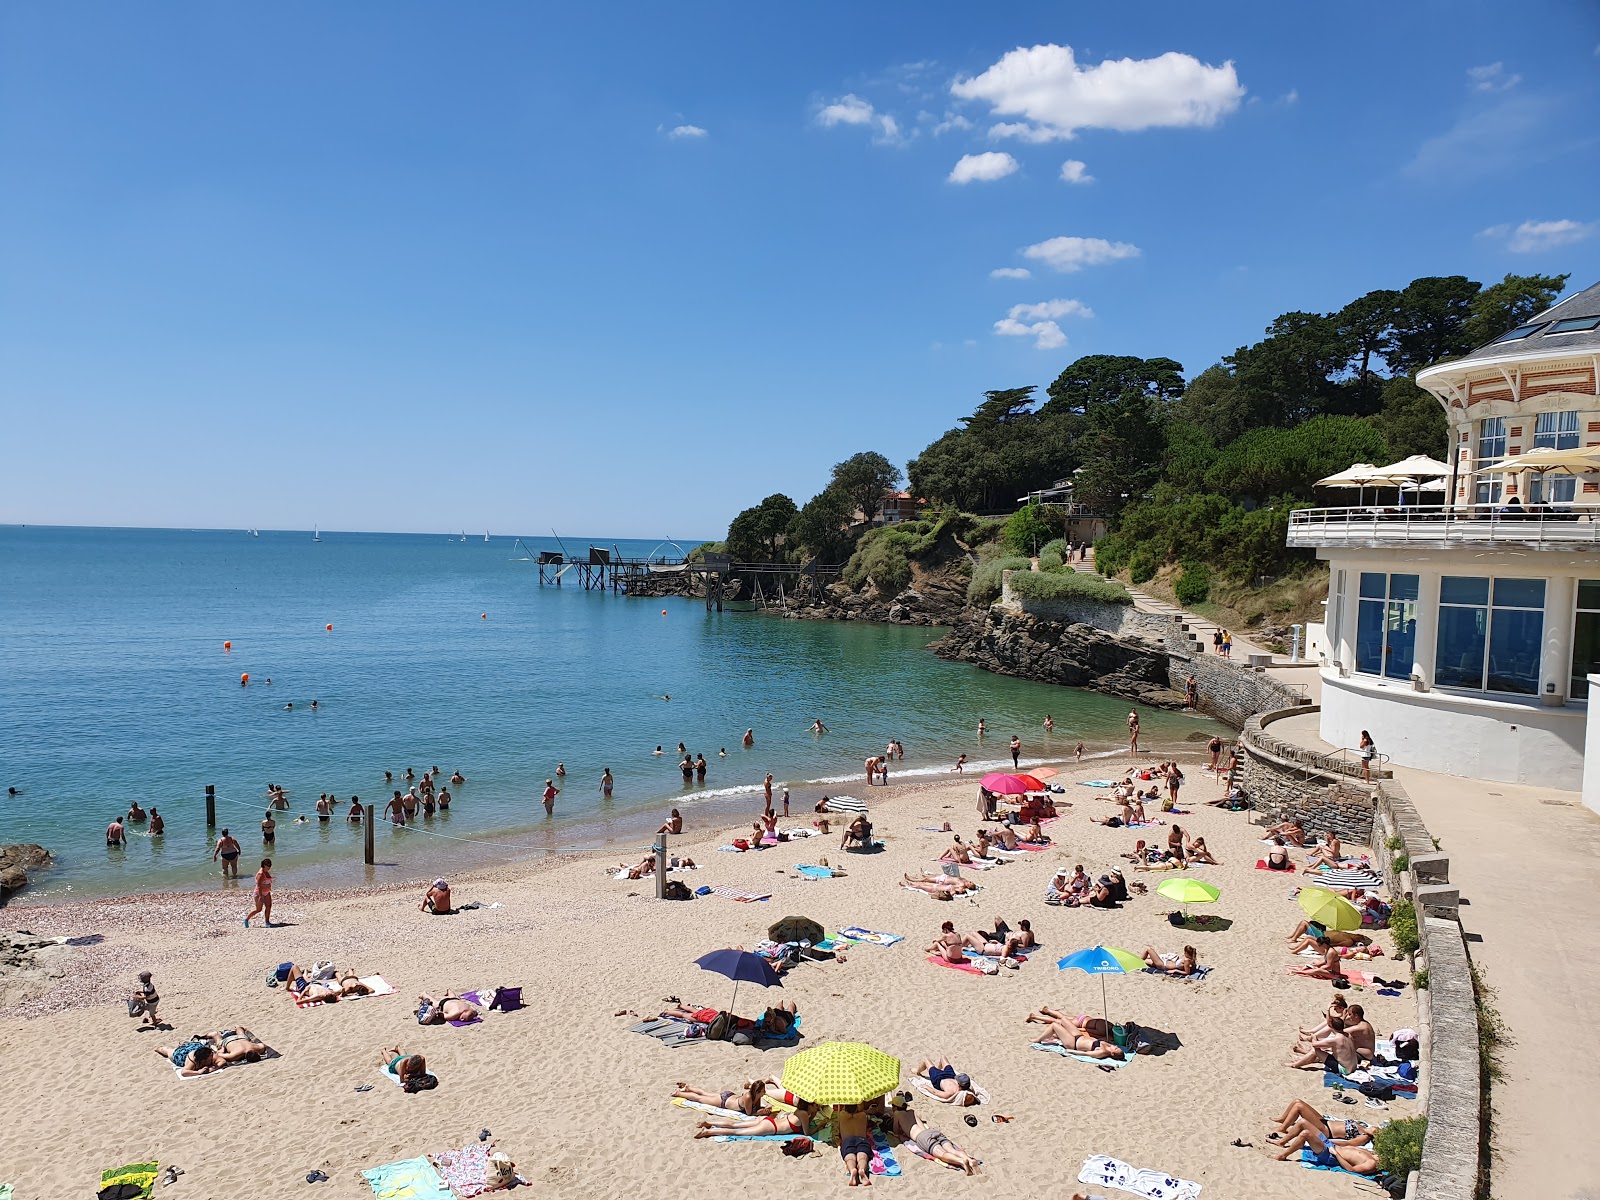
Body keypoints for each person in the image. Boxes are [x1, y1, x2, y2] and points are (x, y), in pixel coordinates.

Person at [889, 1097, 980, 1174]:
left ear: (895, 1107)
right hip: (931, 1132)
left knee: (942, 1154)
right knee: (952, 1150)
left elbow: (896, 1131)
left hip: (922, 1137)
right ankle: (968, 1159)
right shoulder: (912, 1111)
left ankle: (961, 1161)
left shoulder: (897, 1114)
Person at [1025, 1011, 1125, 1060]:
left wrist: (1071, 1051)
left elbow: (1086, 1054)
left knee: (1055, 1025)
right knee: (1064, 1020)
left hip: (1074, 1043)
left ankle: (1037, 1040)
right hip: (1078, 1036)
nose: (1115, 1046)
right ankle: (1041, 1019)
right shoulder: (1107, 1044)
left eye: (1116, 1049)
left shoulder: (1102, 1052)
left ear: (1112, 1054)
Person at [691, 1100, 817, 1139]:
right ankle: (708, 1132)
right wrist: (821, 1125)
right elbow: (807, 1133)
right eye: (815, 1106)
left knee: (736, 1125)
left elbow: (803, 1125)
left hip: (766, 1120)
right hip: (771, 1127)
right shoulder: (805, 1115)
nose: (817, 1107)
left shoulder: (799, 1111)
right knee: (737, 1132)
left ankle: (709, 1123)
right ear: (810, 1106)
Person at [1287, 1014, 1359, 1073]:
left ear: (1330, 1026)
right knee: (1324, 1051)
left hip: (1345, 1070)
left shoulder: (1336, 1039)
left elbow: (1315, 1045)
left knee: (1316, 1051)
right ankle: (1300, 1058)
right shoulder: (1348, 1035)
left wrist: (1314, 1037)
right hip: (1354, 1067)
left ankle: (1295, 1065)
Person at [672, 1079, 768, 1114]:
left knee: (705, 1093)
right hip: (724, 1101)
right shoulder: (748, 1097)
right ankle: (679, 1093)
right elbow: (749, 1113)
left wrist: (763, 1110)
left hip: (730, 1096)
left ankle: (688, 1088)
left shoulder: (757, 1096)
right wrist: (761, 1112)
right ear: (758, 1091)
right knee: (700, 1098)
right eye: (763, 1090)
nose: (765, 1092)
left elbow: (758, 1108)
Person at [835, 1102, 874, 1184]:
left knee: (850, 1157)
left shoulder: (841, 1115)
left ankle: (853, 1170)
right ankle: (862, 1169)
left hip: (847, 1140)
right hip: (861, 1139)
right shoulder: (863, 1115)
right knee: (862, 1156)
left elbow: (838, 1130)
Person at [915, 1057, 980, 1104]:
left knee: (926, 1060)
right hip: (950, 1075)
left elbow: (936, 1093)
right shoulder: (970, 1088)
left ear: (959, 1084)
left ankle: (917, 1072)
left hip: (938, 1078)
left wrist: (926, 1087)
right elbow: (973, 1093)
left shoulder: (950, 1092)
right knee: (943, 1057)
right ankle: (938, 1069)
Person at [903, 872, 980, 898]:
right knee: (927, 878)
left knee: (925, 880)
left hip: (942, 881)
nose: (969, 882)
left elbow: (953, 888)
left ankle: (912, 879)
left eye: (970, 884)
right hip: (944, 878)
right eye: (971, 882)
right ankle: (914, 879)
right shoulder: (964, 880)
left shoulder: (961, 885)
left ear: (969, 887)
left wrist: (958, 890)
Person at [244, 858, 273, 927]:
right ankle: (246, 919)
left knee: (268, 906)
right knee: (258, 909)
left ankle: (267, 922)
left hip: (267, 892)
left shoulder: (266, 871)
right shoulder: (261, 873)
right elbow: (259, 886)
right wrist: (260, 896)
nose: (269, 867)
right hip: (259, 893)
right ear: (263, 865)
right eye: (267, 865)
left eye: (270, 865)